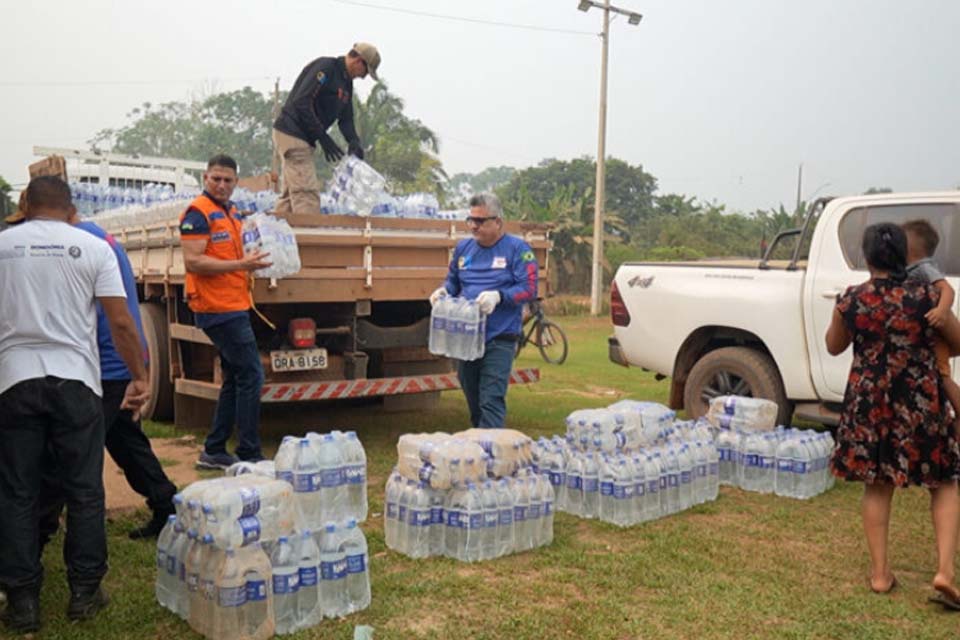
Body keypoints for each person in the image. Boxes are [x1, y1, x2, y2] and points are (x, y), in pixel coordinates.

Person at [0, 176, 149, 633]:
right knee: (84, 491)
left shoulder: (4, 245)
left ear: (25, 204)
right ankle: (85, 593)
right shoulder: (93, 247)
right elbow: (121, 323)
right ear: (71, 209)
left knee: (18, 492)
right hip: (77, 383)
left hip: (14, 382)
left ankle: (22, 601)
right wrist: (140, 376)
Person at [826, 222, 960, 609]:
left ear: (866, 257)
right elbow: (958, 339)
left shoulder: (851, 300)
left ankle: (881, 574)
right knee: (944, 481)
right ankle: (945, 571)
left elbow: (834, 347)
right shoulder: (927, 297)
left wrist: (843, 317)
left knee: (877, 485)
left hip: (870, 405)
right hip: (920, 400)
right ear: (904, 255)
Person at [35, 212, 179, 544]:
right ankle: (166, 506)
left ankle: (36, 537)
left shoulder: (79, 242)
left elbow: (102, 314)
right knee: (124, 439)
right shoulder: (100, 236)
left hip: (102, 363)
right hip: (117, 360)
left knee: (65, 453)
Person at [179, 154, 272, 469]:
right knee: (251, 374)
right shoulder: (198, 213)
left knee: (235, 376)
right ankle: (249, 453)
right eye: (215, 178)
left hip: (235, 304)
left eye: (227, 180)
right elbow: (193, 261)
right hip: (217, 308)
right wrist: (241, 265)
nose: (221, 184)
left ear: (235, 182)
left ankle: (215, 449)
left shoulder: (231, 212)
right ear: (205, 177)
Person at [429, 193, 538, 428]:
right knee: (474, 399)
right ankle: (479, 449)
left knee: (491, 399)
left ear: (498, 222)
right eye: (470, 220)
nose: (473, 226)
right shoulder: (463, 248)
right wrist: (443, 291)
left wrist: (500, 296)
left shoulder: (518, 249)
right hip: (467, 338)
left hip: (499, 336)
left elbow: (529, 289)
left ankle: (492, 455)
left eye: (480, 221)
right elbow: (453, 281)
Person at [272, 43, 381, 215]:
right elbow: (302, 102)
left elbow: (345, 119)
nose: (363, 77)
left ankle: (278, 233)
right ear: (359, 61)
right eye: (366, 72)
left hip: (303, 137)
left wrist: (354, 141)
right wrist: (322, 137)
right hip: (293, 131)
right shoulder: (326, 68)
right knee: (306, 193)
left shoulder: (346, 83)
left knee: (290, 194)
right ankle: (310, 239)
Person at [902, 219, 960, 433]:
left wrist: (942, 311)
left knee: (942, 375)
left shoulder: (924, 267)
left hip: (936, 334)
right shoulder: (909, 268)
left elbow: (947, 289)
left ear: (908, 247)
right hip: (928, 334)